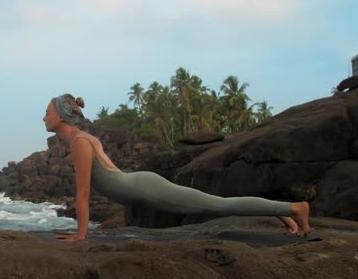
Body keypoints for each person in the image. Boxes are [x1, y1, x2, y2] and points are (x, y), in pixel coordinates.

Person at [44, 94, 310, 242]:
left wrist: (81, 235)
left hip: (147, 190)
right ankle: (282, 211)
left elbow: (83, 194)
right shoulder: (84, 139)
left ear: (60, 116)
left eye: (47, 112)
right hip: (141, 184)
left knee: (220, 206)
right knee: (218, 204)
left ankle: (295, 208)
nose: (44, 117)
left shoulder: (79, 142)